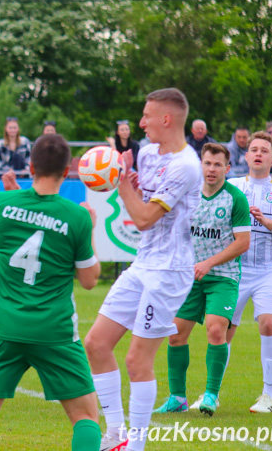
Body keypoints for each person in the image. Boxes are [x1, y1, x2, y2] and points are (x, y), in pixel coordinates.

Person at [0, 134, 102, 451]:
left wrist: (15, 200)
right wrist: (92, 227)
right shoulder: (76, 216)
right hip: (53, 329)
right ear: (68, 171)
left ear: (30, 166)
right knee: (86, 417)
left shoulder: (1, 203)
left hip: (3, 326)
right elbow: (89, 280)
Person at [84, 88, 201, 451]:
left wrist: (123, 188)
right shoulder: (148, 153)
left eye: (146, 115)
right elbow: (143, 205)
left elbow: (145, 218)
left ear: (166, 119)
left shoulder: (186, 165)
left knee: (137, 361)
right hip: (144, 263)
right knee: (96, 344)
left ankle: (136, 444)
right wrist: (133, 185)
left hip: (170, 272)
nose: (140, 123)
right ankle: (116, 434)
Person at [152, 143, 250, 416]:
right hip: (189, 277)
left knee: (215, 329)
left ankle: (210, 395)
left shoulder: (234, 198)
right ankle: (177, 398)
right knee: (175, 334)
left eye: (218, 164)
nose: (211, 169)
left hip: (222, 277)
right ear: (200, 166)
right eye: (207, 163)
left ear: (227, 169)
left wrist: (209, 262)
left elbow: (243, 243)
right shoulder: (189, 195)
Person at [226, 131, 272, 413]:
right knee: (221, 329)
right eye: (254, 149)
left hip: (269, 269)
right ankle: (210, 394)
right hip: (235, 269)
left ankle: (268, 396)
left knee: (269, 324)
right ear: (246, 156)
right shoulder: (232, 186)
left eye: (264, 150)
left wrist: (267, 222)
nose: (258, 153)